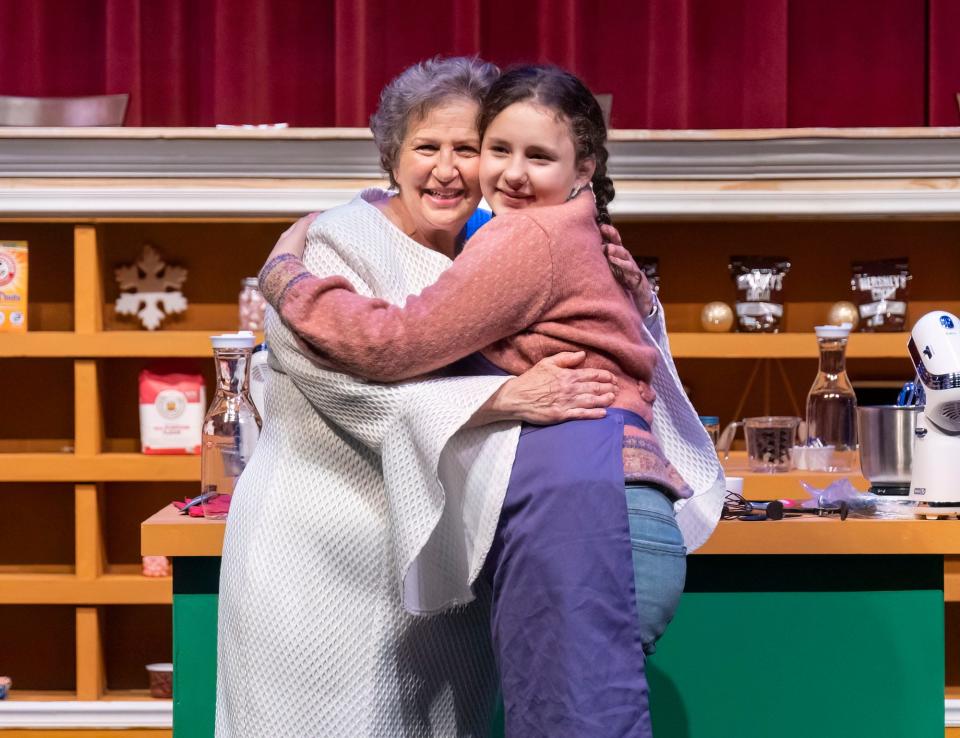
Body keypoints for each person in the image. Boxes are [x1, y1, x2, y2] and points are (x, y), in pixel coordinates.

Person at [261, 65, 725, 737]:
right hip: (592, 510)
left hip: (586, 509)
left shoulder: (528, 237)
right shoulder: (564, 228)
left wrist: (287, 278)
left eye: (537, 156)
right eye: (498, 149)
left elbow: (393, 343)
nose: (508, 172)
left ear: (584, 165)